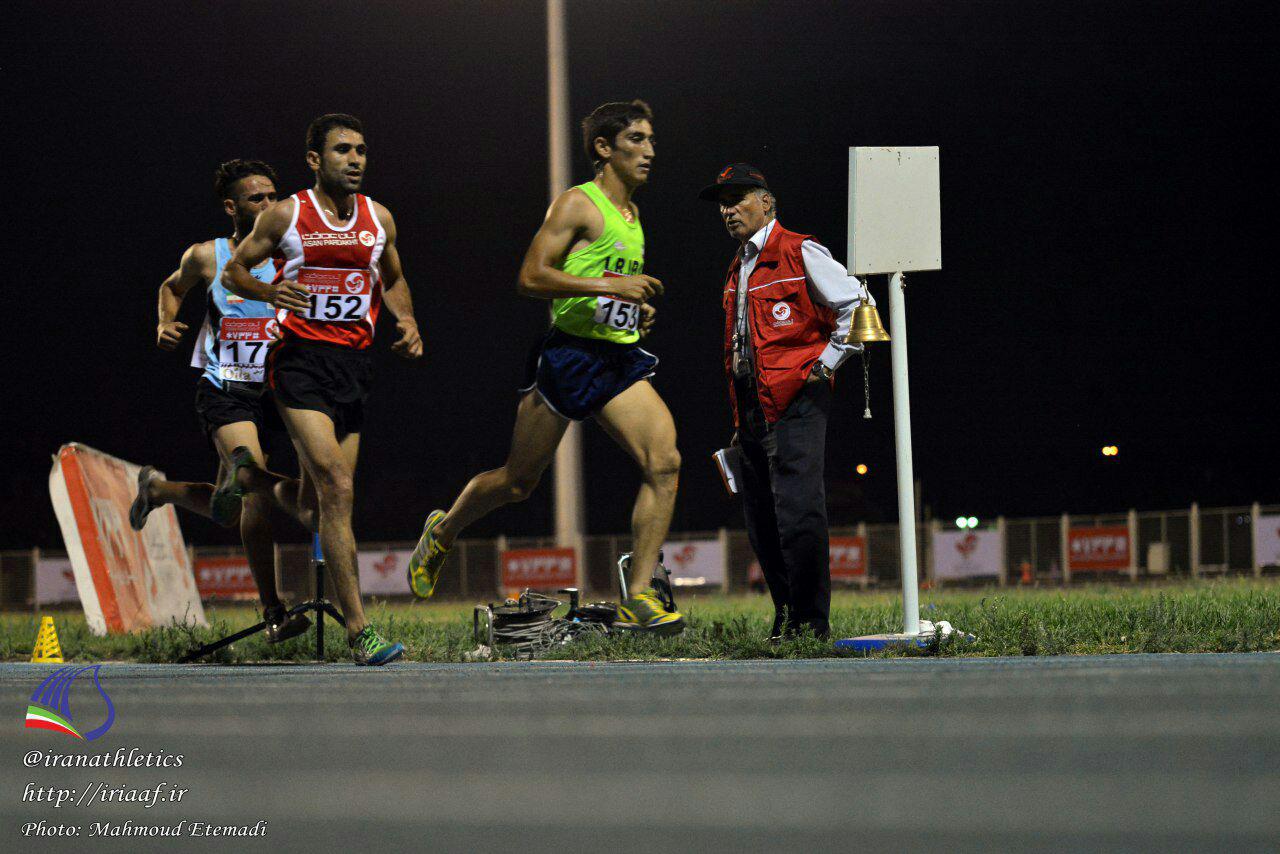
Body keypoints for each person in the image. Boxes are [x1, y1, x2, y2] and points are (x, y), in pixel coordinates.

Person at [407, 100, 683, 635]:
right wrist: (611, 287)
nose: (650, 151)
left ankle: (640, 594)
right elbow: (531, 277)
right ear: (604, 148)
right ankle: (442, 533)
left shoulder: (633, 216)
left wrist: (634, 308)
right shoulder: (578, 204)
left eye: (652, 140)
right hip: (568, 357)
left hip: (617, 359)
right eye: (637, 140)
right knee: (517, 482)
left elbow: (606, 283)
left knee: (665, 462)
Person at [218, 113, 423, 665]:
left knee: (319, 501)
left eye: (361, 150)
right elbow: (233, 272)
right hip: (299, 366)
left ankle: (252, 479)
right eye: (341, 151)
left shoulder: (379, 219)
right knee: (337, 486)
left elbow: (394, 276)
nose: (355, 160)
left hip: (354, 369)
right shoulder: (287, 214)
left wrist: (407, 322)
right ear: (314, 159)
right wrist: (269, 291)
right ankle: (361, 631)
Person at [129, 158, 310, 645]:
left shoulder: (295, 253)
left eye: (275, 196)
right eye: (258, 198)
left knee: (230, 509)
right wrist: (165, 322)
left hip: (281, 390)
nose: (271, 205)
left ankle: (159, 491)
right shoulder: (207, 256)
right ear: (232, 207)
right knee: (249, 474)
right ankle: (274, 609)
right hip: (227, 384)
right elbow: (171, 287)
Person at [699, 163, 872, 640]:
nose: (727, 209)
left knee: (799, 514)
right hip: (752, 404)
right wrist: (740, 412)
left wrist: (826, 364)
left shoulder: (799, 250)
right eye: (722, 203)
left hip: (797, 400)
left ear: (767, 202)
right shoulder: (740, 264)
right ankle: (786, 616)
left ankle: (812, 622)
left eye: (737, 199)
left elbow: (857, 304)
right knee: (761, 520)